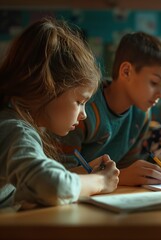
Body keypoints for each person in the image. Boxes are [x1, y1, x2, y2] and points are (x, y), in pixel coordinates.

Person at [0, 18, 120, 210]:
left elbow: (26, 186)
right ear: (45, 89)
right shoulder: (16, 130)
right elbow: (53, 186)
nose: (84, 115)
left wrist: (83, 175)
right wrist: (99, 181)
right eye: (80, 102)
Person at [60, 31, 161, 186]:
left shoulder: (141, 115)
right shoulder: (82, 110)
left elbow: (127, 166)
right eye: (154, 83)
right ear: (126, 71)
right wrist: (120, 177)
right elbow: (60, 174)